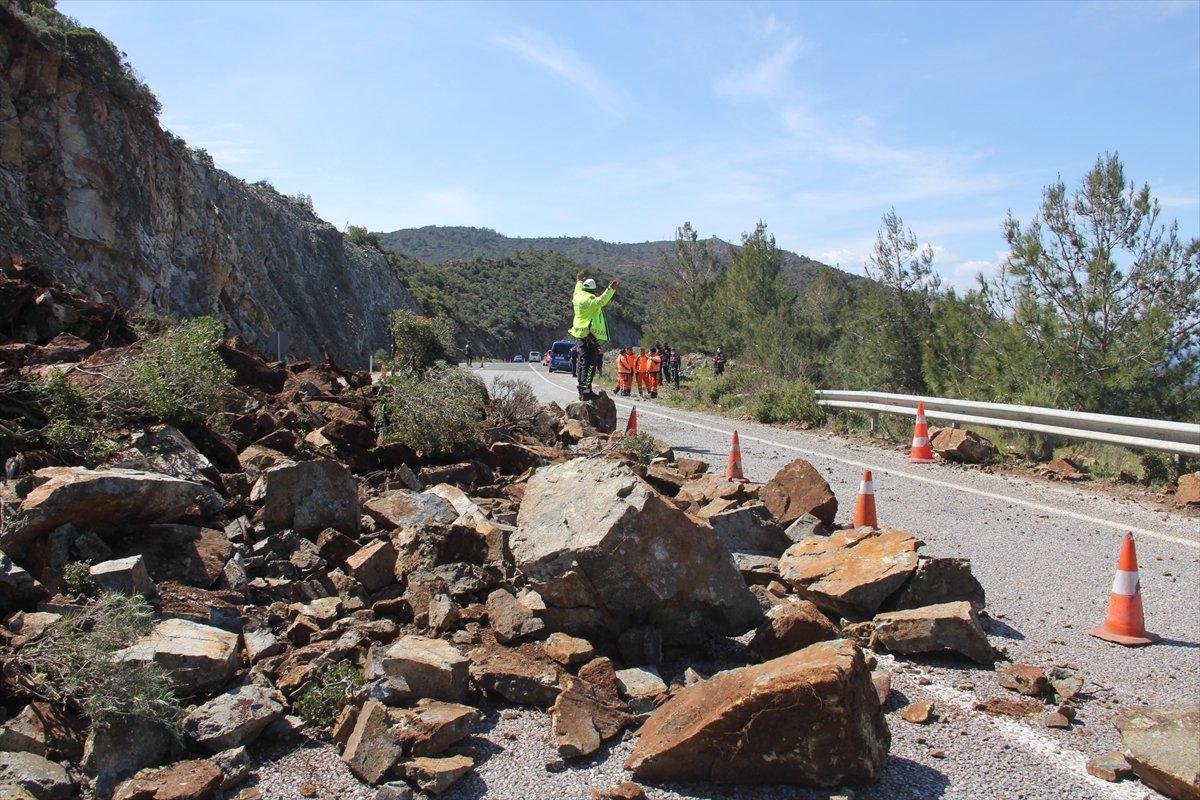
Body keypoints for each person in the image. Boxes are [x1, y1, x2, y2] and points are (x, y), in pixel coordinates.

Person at [568, 272, 618, 400]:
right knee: (590, 364)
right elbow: (601, 300)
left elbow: (578, 287)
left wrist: (579, 280)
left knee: (582, 362)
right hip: (589, 335)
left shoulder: (577, 295)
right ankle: (586, 391)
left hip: (580, 334)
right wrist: (610, 289)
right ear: (592, 290)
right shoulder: (590, 300)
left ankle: (582, 389)